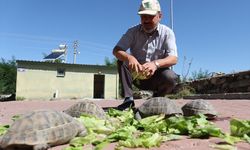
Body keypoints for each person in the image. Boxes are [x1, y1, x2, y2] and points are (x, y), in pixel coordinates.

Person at [113, 0, 178, 110]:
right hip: (137, 77)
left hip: (156, 78)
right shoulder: (132, 31)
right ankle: (128, 99)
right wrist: (129, 57)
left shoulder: (167, 32)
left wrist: (155, 64)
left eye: (150, 16)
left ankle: (157, 98)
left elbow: (173, 58)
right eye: (143, 16)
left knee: (170, 77)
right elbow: (116, 50)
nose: (146, 20)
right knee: (122, 61)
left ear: (159, 16)